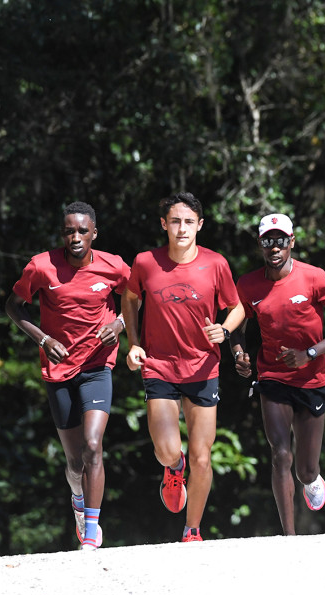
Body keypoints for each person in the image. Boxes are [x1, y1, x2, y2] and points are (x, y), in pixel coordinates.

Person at [5, 202, 130, 550]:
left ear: (94, 233)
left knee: (93, 446)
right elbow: (13, 307)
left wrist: (119, 324)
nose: (75, 238)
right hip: (58, 370)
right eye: (68, 231)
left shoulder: (113, 266)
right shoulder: (41, 267)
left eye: (82, 231)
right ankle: (78, 499)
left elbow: (138, 297)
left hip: (97, 366)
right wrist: (43, 339)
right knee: (75, 462)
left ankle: (91, 530)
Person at [122, 192, 245, 542]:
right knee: (168, 449)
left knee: (202, 458)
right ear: (164, 224)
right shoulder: (146, 262)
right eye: (175, 221)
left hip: (203, 367)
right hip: (159, 366)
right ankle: (174, 469)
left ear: (199, 226)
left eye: (188, 222)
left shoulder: (215, 263)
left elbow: (237, 308)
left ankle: (192, 531)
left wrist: (224, 330)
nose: (181, 228)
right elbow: (130, 299)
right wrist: (134, 343)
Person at [230, 213, 325, 535]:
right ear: (260, 244)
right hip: (272, 376)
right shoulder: (248, 284)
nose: (274, 247)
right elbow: (237, 331)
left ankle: (312, 479)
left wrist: (309, 353)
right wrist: (239, 354)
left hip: (312, 379)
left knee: (305, 468)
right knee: (280, 453)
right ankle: (289, 536)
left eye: (280, 240)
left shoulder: (313, 278)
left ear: (291, 242)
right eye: (268, 240)